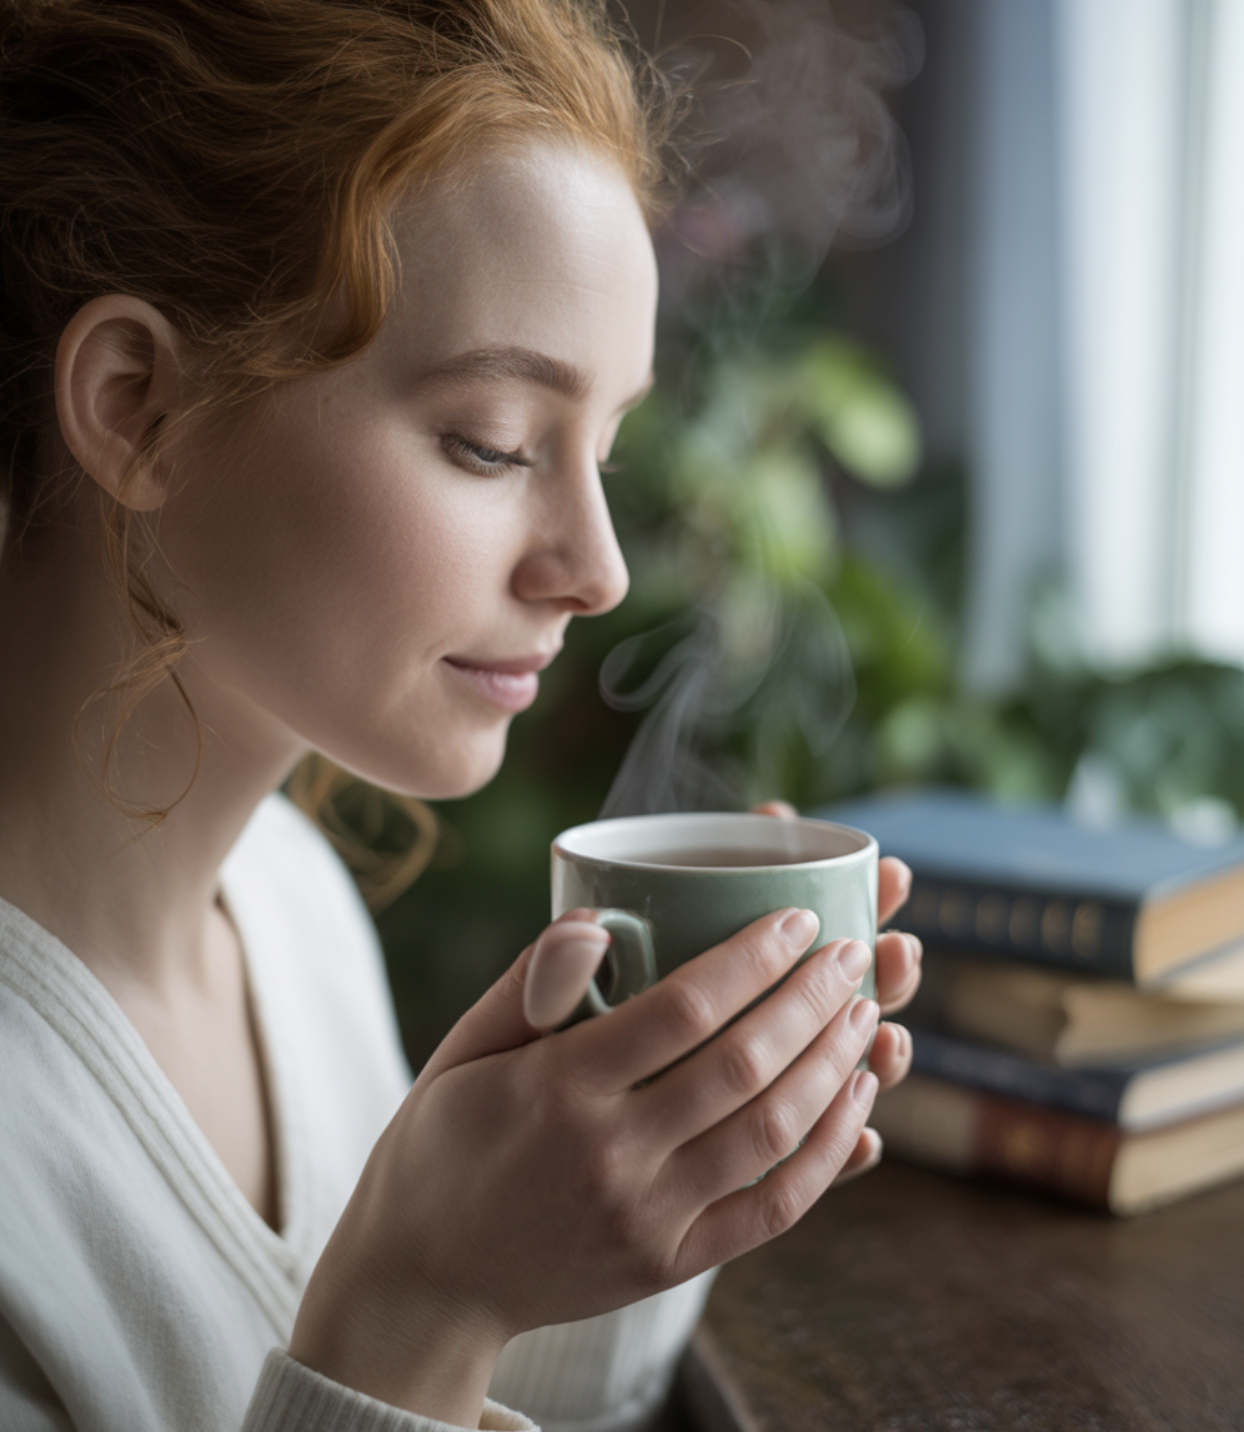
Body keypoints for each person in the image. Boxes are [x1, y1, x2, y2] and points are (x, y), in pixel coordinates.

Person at [0, 2, 924, 1429]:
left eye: (605, 451)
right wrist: (422, 1304)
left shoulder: (293, 915)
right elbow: (400, 1351)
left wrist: (639, 1176)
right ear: (138, 408)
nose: (599, 569)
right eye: (492, 442)